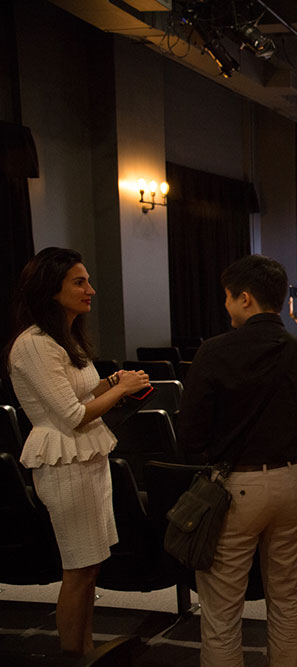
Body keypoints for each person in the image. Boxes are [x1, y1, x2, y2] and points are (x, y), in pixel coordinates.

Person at [176, 255, 297, 667]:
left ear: (244, 299)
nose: (226, 306)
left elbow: (191, 437)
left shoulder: (213, 352)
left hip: (233, 489)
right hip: (292, 480)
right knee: (288, 598)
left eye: (228, 298)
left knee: (221, 610)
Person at [4, 247, 150, 656]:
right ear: (51, 289)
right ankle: (74, 655)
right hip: (64, 461)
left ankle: (84, 650)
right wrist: (119, 390)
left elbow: (81, 395)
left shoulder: (62, 337)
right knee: (77, 568)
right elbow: (71, 415)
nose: (91, 290)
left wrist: (111, 383)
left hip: (87, 458)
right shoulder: (33, 344)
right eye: (79, 282)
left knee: (90, 567)